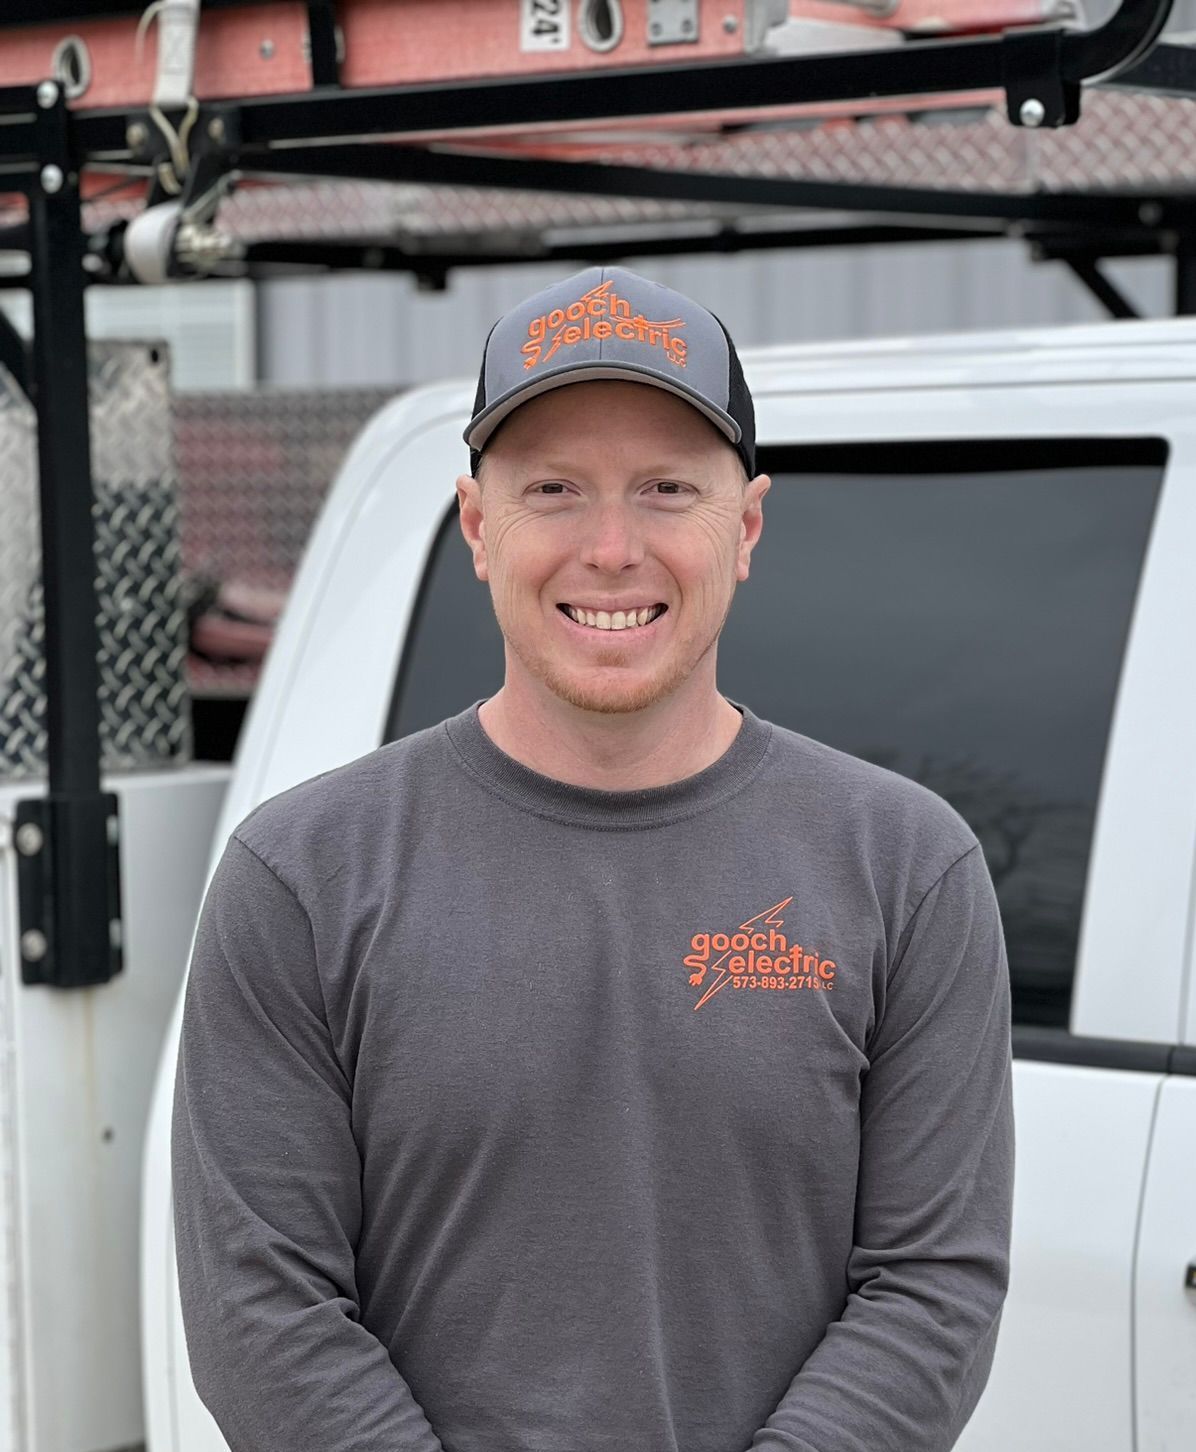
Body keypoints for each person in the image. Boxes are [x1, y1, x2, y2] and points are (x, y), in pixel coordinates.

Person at [172, 265, 1014, 1452]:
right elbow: (261, 1312)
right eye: (553, 489)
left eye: (666, 488)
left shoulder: (906, 869)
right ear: (478, 527)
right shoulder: (299, 880)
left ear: (745, 527)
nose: (611, 549)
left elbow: (930, 1290)